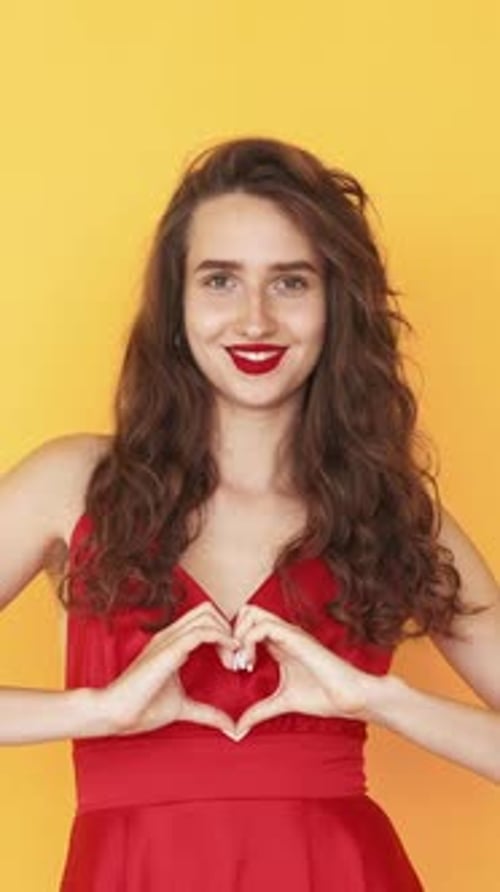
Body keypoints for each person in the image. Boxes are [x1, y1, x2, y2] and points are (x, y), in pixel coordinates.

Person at [0, 136, 498, 891]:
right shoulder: (72, 482)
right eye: (221, 280)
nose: (255, 318)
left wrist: (382, 700)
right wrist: (96, 711)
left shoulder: (390, 509)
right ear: (176, 306)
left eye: (291, 282)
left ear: (337, 307)